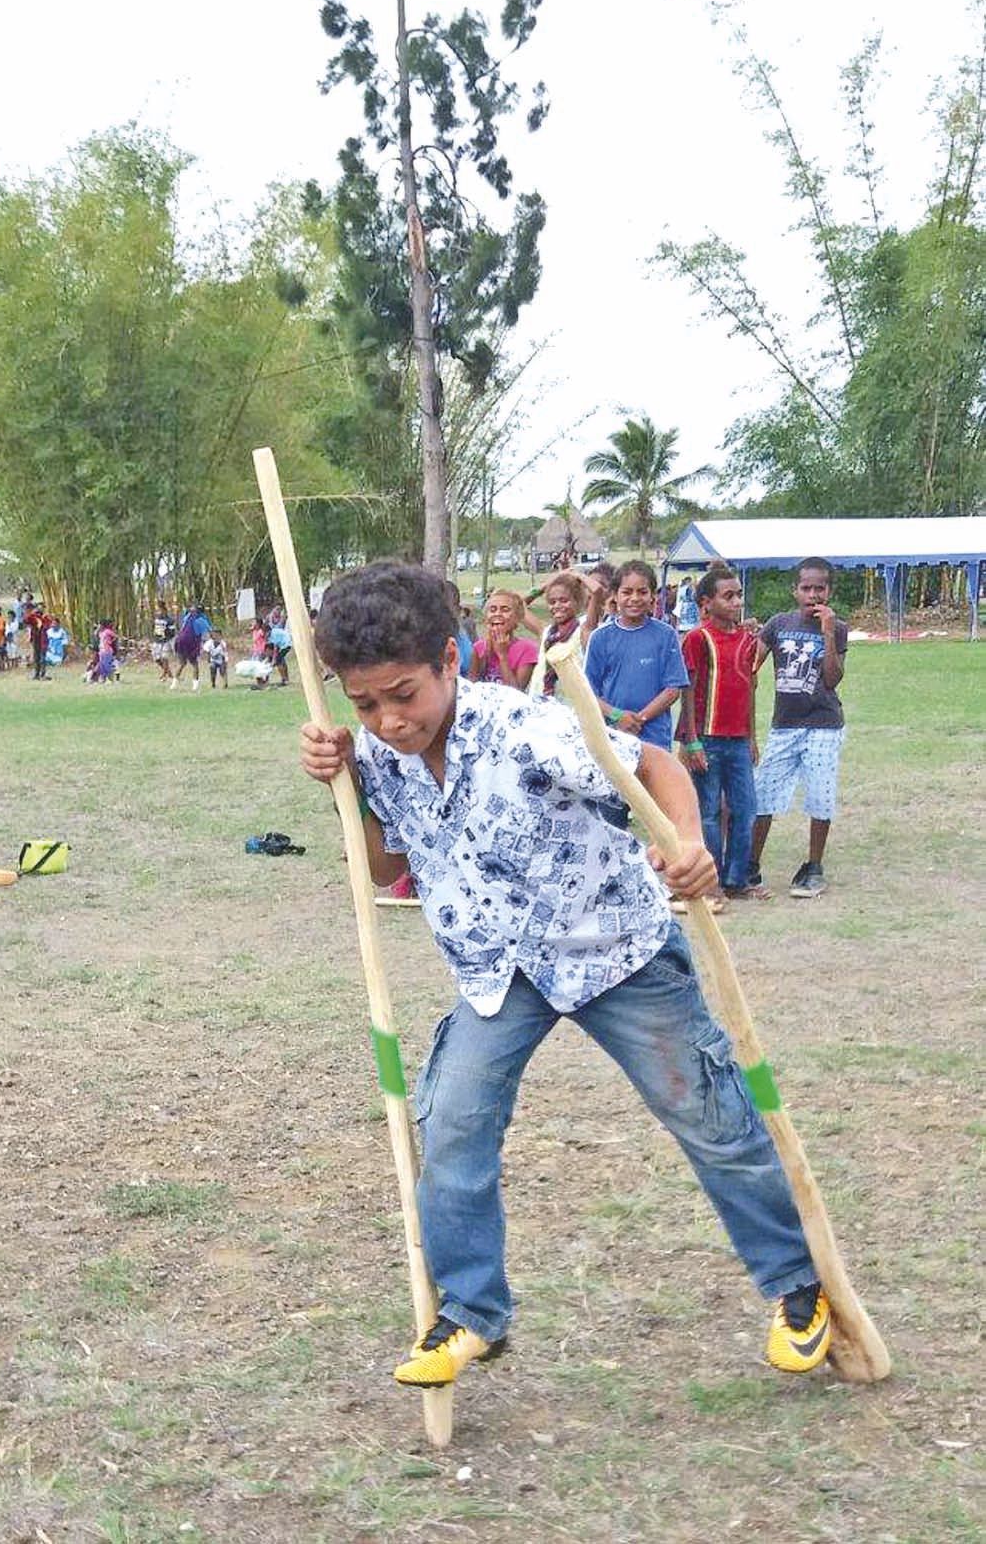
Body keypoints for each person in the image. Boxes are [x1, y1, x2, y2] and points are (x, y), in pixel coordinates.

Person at [297, 560, 832, 1391]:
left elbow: (653, 766)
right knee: (453, 1127)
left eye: (403, 694)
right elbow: (379, 868)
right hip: (496, 968)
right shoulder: (380, 755)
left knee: (708, 1115)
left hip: (613, 946)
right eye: (365, 703)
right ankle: (471, 1312)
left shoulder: (526, 728)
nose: (388, 719)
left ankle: (800, 1285)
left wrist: (686, 844)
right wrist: (348, 784)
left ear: (449, 658)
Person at [748, 558, 850, 899]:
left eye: (819, 588)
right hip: (784, 725)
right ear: (795, 590)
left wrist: (827, 634)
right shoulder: (778, 624)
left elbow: (833, 679)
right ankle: (750, 863)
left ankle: (813, 865)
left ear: (829, 591)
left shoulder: (837, 627)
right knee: (763, 794)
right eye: (806, 587)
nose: (812, 594)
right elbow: (750, 667)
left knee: (820, 796)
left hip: (823, 724)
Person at [674, 565, 766, 908]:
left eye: (739, 594)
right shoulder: (699, 639)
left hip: (739, 739)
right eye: (728, 596)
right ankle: (711, 882)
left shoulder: (747, 639)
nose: (736, 602)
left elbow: (750, 689)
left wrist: (753, 736)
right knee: (709, 811)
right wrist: (691, 738)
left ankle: (737, 879)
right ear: (706, 603)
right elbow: (690, 690)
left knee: (746, 809)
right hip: (708, 739)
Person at [582, 561, 689, 750]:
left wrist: (639, 719)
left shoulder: (665, 635)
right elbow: (588, 692)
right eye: (627, 592)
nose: (635, 598)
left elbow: (673, 689)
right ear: (615, 596)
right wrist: (617, 716)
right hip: (613, 737)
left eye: (642, 592)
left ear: (653, 596)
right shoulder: (600, 637)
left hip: (655, 738)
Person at [523, 571, 587, 698]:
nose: (557, 606)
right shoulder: (546, 633)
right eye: (552, 602)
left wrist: (580, 577)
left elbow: (599, 594)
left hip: (570, 704)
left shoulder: (583, 631)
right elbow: (519, 605)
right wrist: (547, 584)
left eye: (564, 600)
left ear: (577, 602)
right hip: (541, 702)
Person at [467, 590, 539, 690]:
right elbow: (471, 686)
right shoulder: (479, 647)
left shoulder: (528, 649)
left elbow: (516, 693)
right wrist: (487, 649)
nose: (497, 614)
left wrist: (502, 656)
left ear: (517, 618)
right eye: (492, 610)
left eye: (505, 610)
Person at [173, 603, 209, 692]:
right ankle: (195, 686)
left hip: (180, 640)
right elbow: (208, 632)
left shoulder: (187, 617)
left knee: (182, 663)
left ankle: (173, 684)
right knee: (195, 664)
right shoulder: (202, 620)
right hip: (191, 643)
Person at [153, 598, 176, 684]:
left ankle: (164, 674)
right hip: (156, 641)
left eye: (158, 609)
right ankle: (169, 674)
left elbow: (172, 632)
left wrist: (166, 636)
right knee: (157, 659)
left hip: (165, 641)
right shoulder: (157, 618)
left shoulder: (169, 620)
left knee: (164, 658)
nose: (157, 611)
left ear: (163, 609)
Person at [268, 610, 293, 687]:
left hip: (286, 645)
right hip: (287, 644)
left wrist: (274, 660)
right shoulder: (274, 631)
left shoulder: (272, 634)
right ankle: (286, 678)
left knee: (278, 662)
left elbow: (276, 648)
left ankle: (284, 679)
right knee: (282, 661)